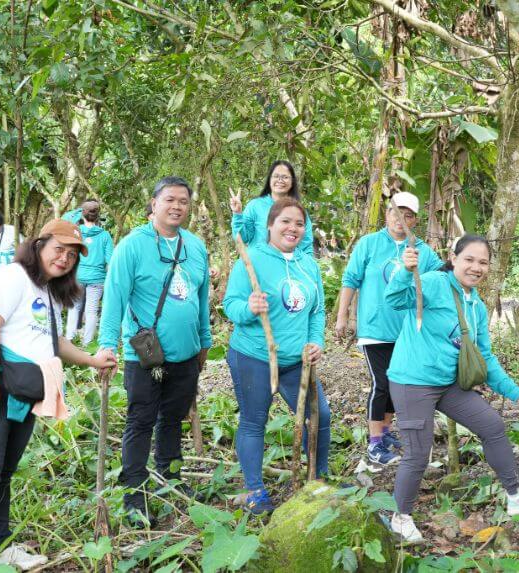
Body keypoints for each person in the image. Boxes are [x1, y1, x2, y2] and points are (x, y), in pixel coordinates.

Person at [0, 220, 117, 573]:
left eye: (72, 255)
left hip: (24, 390)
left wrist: (92, 359)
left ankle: (0, 546)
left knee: (3, 473)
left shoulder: (48, 292)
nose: (65, 258)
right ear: (38, 244)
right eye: (59, 249)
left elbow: (53, 343)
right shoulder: (12, 277)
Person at [384, 234, 519, 543]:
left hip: (448, 384)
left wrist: (516, 393)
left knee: (492, 425)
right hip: (413, 382)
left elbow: (484, 356)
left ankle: (516, 493)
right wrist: (406, 271)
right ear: (454, 257)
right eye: (469, 259)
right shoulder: (435, 282)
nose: (476, 267)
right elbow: (395, 299)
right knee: (418, 453)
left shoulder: (476, 304)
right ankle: (400, 516)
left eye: (483, 262)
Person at [98, 176, 212, 527]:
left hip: (186, 354)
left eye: (184, 201)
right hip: (145, 356)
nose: (177, 206)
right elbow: (114, 297)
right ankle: (135, 493)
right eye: (170, 200)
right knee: (141, 420)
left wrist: (205, 340)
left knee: (174, 419)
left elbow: (202, 295)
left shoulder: (195, 246)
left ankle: (170, 477)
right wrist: (106, 345)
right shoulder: (132, 246)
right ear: (154, 203)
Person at [223, 198, 328, 514]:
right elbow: (231, 304)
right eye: (285, 221)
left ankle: (318, 478)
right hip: (254, 356)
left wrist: (315, 341)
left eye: (299, 223)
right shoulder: (252, 259)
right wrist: (249, 308)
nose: (292, 228)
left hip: (297, 361)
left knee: (320, 415)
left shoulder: (307, 264)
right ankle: (255, 490)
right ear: (270, 225)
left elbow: (317, 310)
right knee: (254, 421)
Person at [335, 192, 443, 467]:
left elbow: (439, 280)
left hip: (406, 332)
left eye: (407, 215)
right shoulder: (369, 244)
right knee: (381, 384)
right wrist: (342, 316)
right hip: (374, 329)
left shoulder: (423, 251)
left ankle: (384, 434)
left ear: (414, 220)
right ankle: (374, 444)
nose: (400, 220)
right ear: (387, 215)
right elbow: (351, 279)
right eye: (396, 213)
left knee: (396, 385)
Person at [229, 160, 314, 256]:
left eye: (285, 177)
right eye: (276, 176)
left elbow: (306, 246)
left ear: (292, 182)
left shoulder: (298, 211)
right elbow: (242, 238)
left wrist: (308, 268)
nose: (280, 180)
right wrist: (237, 213)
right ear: (269, 180)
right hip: (258, 266)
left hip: (288, 268)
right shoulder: (255, 206)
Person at [61, 200, 114, 345]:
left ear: (82, 215)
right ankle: (87, 342)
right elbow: (111, 261)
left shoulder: (76, 233)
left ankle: (69, 338)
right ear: (98, 216)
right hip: (97, 279)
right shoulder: (105, 236)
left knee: (74, 307)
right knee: (91, 311)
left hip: (78, 276)